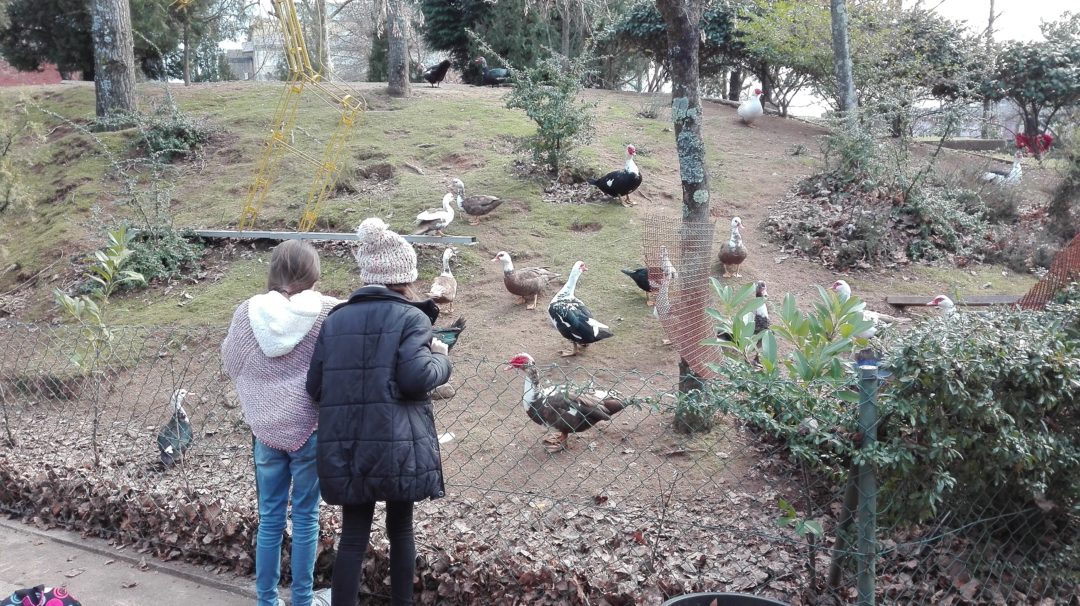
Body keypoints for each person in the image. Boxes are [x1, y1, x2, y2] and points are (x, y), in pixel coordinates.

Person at [306, 218, 451, 606]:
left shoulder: (336, 320)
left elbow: (314, 387)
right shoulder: (412, 318)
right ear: (406, 276)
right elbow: (417, 377)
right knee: (401, 529)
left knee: (353, 536)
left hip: (348, 446)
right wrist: (441, 358)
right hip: (397, 444)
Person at [222, 239, 338, 606]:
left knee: (270, 517)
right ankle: (302, 600)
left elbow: (232, 362)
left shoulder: (247, 312)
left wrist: (264, 386)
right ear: (313, 273)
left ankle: (267, 601)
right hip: (311, 428)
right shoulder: (329, 311)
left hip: (266, 430)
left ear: (274, 271)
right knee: (305, 517)